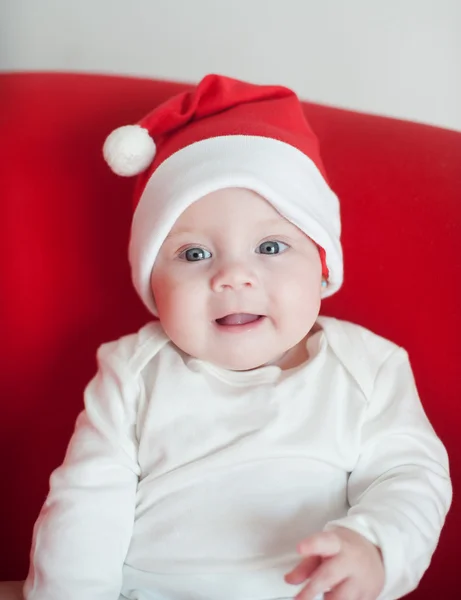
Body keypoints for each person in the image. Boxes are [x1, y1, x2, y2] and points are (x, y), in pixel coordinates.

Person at [23, 74, 452, 600]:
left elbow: (410, 477)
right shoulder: (134, 372)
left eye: (270, 247)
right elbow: (84, 505)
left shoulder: (368, 367)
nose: (232, 276)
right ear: (153, 289)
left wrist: (375, 548)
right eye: (194, 254)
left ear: (322, 269)